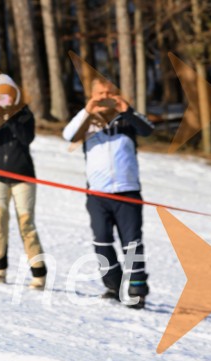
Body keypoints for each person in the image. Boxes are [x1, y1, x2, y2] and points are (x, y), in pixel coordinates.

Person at [62, 77, 154, 308]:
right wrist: (88, 109)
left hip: (127, 192)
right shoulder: (87, 122)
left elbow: (148, 130)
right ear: (92, 95)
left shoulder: (127, 120)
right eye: (99, 93)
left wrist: (127, 110)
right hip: (98, 195)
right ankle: (113, 284)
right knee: (102, 241)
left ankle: (137, 289)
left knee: (132, 243)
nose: (104, 97)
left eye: (108, 93)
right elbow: (68, 135)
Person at [0, 74, 47, 288]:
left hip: (23, 176)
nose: (4, 99)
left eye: (7, 94)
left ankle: (38, 272)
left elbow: (26, 139)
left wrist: (12, 117)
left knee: (26, 223)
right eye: (0, 95)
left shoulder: (25, 115)